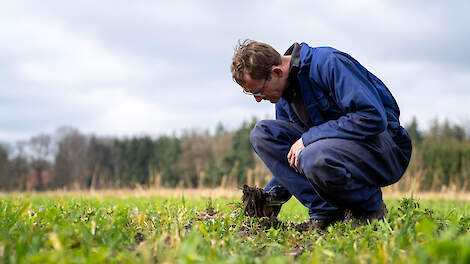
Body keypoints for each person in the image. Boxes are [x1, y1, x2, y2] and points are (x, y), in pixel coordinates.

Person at [230, 39, 412, 229]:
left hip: (385, 147)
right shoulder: (284, 96)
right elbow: (293, 156)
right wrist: (272, 197)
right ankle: (326, 213)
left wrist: (310, 138)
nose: (258, 100)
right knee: (263, 134)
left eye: (258, 92)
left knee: (312, 152)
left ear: (276, 72)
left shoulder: (328, 63)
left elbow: (372, 116)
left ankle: (368, 210)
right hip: (330, 152)